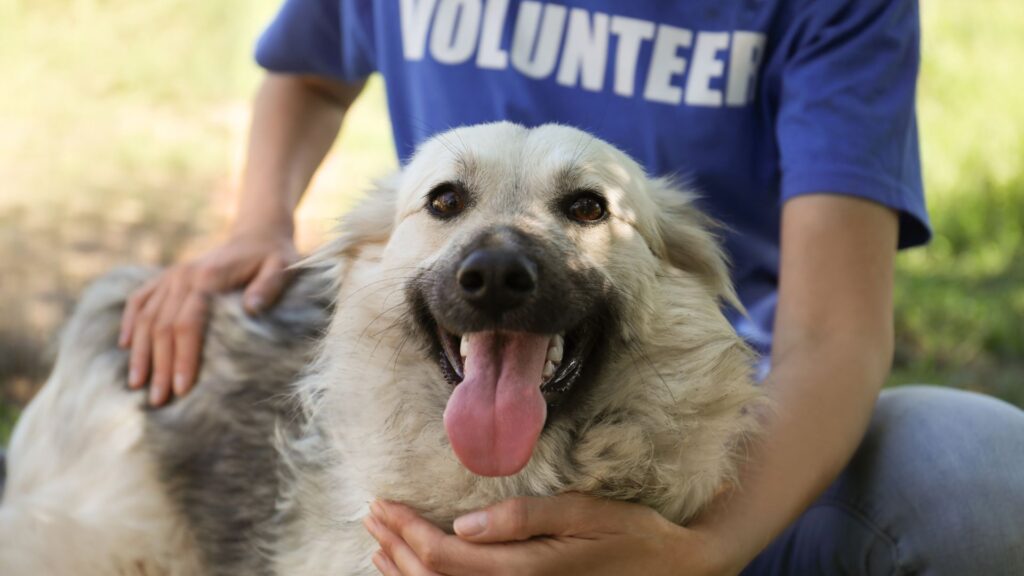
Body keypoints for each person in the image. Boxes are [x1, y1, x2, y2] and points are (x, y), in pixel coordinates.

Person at [118, 1, 1024, 574]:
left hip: (739, 465)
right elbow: (312, 67)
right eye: (447, 202)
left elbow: (835, 336)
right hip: (418, 439)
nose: (500, 261)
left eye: (587, 208)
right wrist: (258, 221)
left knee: (982, 469)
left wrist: (701, 548)